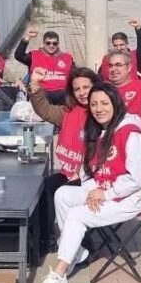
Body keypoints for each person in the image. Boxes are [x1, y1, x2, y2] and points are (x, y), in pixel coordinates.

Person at [32, 84, 141, 283]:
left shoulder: (130, 133)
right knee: (62, 194)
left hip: (132, 197)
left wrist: (104, 194)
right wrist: (93, 190)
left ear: (115, 104)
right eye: (94, 104)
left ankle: (59, 275)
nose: (99, 109)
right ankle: (76, 251)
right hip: (105, 188)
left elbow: (137, 179)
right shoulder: (98, 130)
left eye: (104, 103)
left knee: (77, 215)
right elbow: (88, 170)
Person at [28, 66, 98, 249]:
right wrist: (35, 85)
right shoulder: (68, 112)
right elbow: (44, 110)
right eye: (77, 89)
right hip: (71, 173)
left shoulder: (100, 113)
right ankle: (45, 239)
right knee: (44, 187)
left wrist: (82, 173)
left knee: (60, 193)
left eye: (86, 87)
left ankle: (82, 245)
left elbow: (102, 152)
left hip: (93, 177)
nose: (82, 93)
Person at [14, 26, 75, 104]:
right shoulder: (34, 55)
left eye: (54, 43)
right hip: (42, 93)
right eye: (48, 43)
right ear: (43, 44)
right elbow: (18, 55)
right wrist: (27, 36)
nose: (51, 45)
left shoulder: (67, 57)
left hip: (63, 93)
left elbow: (76, 75)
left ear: (58, 44)